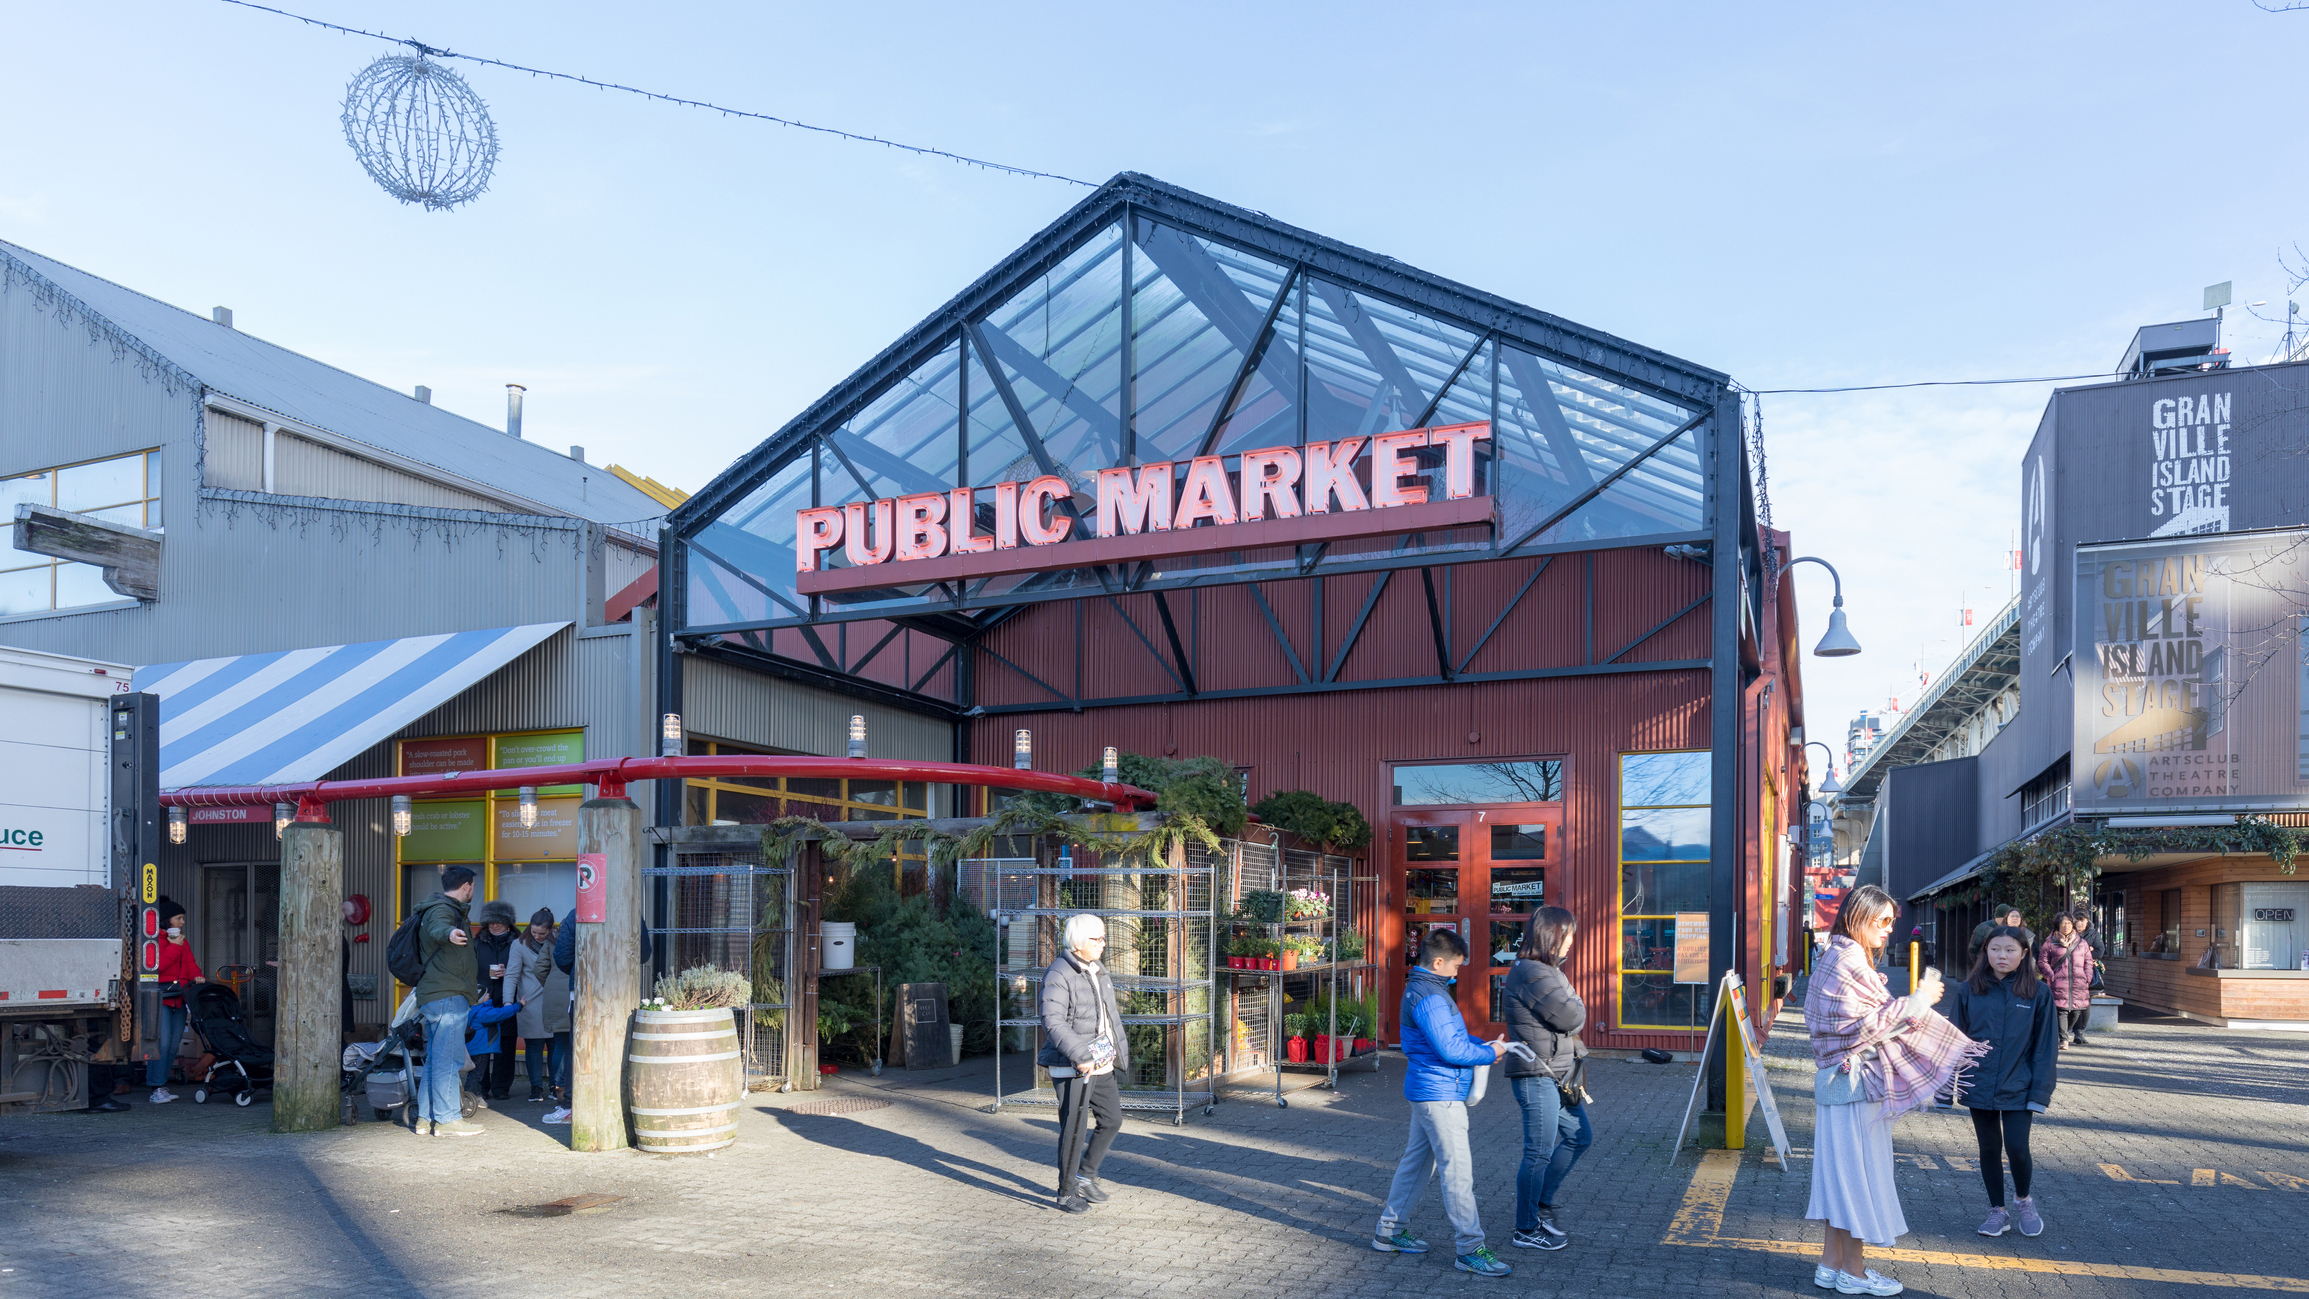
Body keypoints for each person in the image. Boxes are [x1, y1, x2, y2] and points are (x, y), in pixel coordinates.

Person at [1805, 885, 1987, 1296]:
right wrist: (1920, 998)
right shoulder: (1849, 960)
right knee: (1859, 1179)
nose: (1889, 930)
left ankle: (1830, 1264)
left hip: (1838, 1082)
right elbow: (1871, 1023)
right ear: (1859, 918)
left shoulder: (1833, 955)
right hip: (1858, 1084)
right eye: (1883, 921)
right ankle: (1854, 1272)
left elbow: (1850, 1020)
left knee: (1841, 1177)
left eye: (1892, 922)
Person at [1373, 926, 1513, 1279]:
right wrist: (1488, 1052)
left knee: (1417, 1164)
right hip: (1441, 1095)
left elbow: (1450, 1038)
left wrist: (1483, 1049)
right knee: (1457, 1172)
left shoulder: (1423, 989)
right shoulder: (1432, 996)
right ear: (1438, 962)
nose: (1456, 973)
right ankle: (1469, 1248)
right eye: (1455, 967)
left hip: (1429, 1091)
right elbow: (1450, 1048)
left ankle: (1389, 1232)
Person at [1951, 923, 2058, 1238]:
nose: (2002, 955)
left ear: (2024, 953)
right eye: (1995, 948)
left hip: (2019, 1085)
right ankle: (1998, 1211)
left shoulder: (2038, 993)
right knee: (1988, 1148)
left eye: (2010, 950)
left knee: (2017, 1147)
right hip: (1978, 1083)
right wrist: (1946, 1087)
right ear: (1985, 951)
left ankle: (2023, 1199)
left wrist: (2040, 1091)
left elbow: (2046, 1048)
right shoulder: (1970, 989)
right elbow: (1954, 1041)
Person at [1500, 906, 1592, 1252]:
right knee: (1537, 1153)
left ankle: (1541, 1206)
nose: (1571, 942)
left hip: (1556, 1073)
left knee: (1580, 1136)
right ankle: (1525, 1228)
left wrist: (1573, 1002)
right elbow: (1572, 1015)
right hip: (1536, 1073)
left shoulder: (1546, 971)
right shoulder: (1532, 973)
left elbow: (1571, 1012)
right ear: (1552, 936)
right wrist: (1576, 1002)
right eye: (1568, 935)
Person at [1039, 913, 1127, 1214]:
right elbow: (1052, 1021)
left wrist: (1111, 1048)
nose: (1103, 944)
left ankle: (1085, 1174)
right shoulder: (1058, 973)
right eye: (1096, 938)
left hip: (1100, 1064)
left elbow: (1106, 1016)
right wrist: (1082, 1055)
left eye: (1103, 937)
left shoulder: (1097, 969)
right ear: (1078, 942)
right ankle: (1066, 1193)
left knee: (1112, 1119)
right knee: (1074, 1129)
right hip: (1073, 1065)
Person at [546, 905, 654, 1125]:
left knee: (578, 1048)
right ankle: (620, 1102)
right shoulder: (630, 911)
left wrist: (579, 969)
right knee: (620, 1045)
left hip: (584, 989)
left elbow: (563, 954)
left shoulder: (578, 911)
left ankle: (571, 1106)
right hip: (622, 991)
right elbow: (644, 953)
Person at [411, 866, 484, 1138]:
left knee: (435, 1059)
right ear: (467, 886)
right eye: (473, 887)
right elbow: (438, 928)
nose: (472, 892)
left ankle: (425, 1118)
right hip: (447, 995)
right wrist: (450, 933)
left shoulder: (436, 906)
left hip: (437, 995)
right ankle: (447, 1119)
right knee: (448, 1060)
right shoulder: (443, 909)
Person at [146, 897, 203, 1104]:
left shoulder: (182, 941)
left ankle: (161, 1085)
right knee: (161, 1044)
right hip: (162, 998)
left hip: (179, 997)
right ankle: (155, 1087)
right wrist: (175, 947)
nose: (182, 922)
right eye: (178, 918)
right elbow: (156, 969)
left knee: (172, 1045)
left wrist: (198, 976)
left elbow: (190, 964)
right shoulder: (152, 941)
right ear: (166, 921)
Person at [507, 909, 564, 1102]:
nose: (537, 936)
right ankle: (535, 1088)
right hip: (529, 1001)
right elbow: (512, 974)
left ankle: (555, 1086)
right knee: (533, 1045)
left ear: (551, 929)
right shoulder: (519, 944)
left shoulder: (560, 941)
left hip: (554, 999)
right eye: (534, 932)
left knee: (556, 1044)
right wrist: (508, 1001)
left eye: (542, 933)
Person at [470, 900, 519, 1098]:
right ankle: (482, 1087)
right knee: (481, 1043)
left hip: (507, 998)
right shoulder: (477, 942)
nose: (494, 925)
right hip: (482, 999)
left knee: (506, 1044)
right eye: (490, 921)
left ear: (508, 923)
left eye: (498, 921)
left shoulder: (517, 942)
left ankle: (501, 1087)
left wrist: (508, 972)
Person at [2037, 911, 2095, 1049]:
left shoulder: (2082, 943)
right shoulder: (2050, 943)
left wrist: (2088, 976)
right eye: (2063, 923)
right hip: (2059, 982)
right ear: (2058, 925)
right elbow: (2042, 962)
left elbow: (2089, 961)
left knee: (2076, 1011)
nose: (2066, 926)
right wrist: (2051, 976)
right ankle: (2064, 1040)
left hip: (2079, 982)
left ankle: (2064, 1032)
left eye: (2069, 923)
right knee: (2061, 1011)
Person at [460, 993, 523, 1115]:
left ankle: (477, 1096)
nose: (489, 994)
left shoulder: (469, 1010)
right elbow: (501, 1013)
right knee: (476, 1075)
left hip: (470, 1048)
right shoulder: (483, 1012)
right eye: (485, 993)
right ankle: (468, 1098)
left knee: (474, 1074)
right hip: (481, 1049)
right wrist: (518, 1006)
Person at [1969, 904, 2028, 969]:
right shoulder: (1983, 928)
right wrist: (1980, 963)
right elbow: (1973, 949)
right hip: (1986, 965)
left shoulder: (2014, 929)